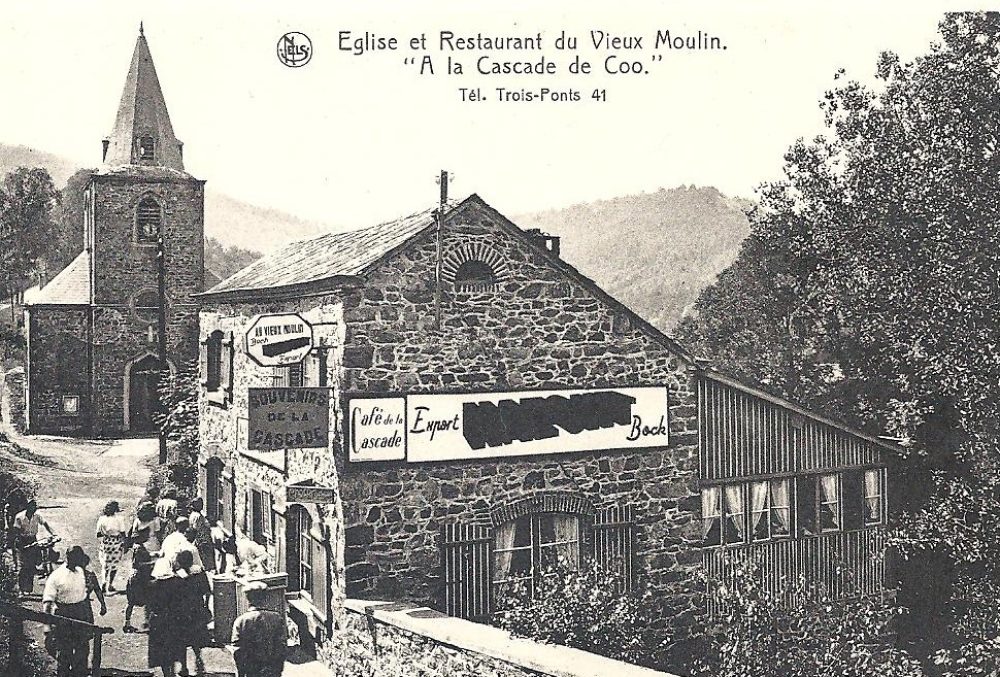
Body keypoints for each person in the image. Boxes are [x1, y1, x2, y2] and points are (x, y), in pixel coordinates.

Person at [42, 545, 92, 677]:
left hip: (80, 613)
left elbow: (84, 595)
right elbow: (48, 602)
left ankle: (80, 673)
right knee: (64, 649)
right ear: (69, 558)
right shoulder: (56, 576)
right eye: (78, 559)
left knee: (82, 648)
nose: (80, 562)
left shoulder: (80, 571)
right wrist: (47, 625)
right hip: (63, 615)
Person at [231, 581, 287, 677]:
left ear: (248, 599)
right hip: (271, 670)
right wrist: (277, 669)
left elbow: (237, 650)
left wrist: (241, 672)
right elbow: (282, 646)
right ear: (265, 598)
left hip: (251, 670)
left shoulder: (241, 621)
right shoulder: (277, 618)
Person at [14, 499, 55, 595]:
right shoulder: (19, 517)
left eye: (35, 508)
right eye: (32, 508)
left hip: (33, 539)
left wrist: (53, 534)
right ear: (28, 507)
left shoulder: (37, 516)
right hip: (22, 541)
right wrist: (21, 544)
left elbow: (45, 524)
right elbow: (16, 532)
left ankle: (28, 588)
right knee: (23, 566)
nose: (34, 510)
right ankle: (21, 589)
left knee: (32, 565)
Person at [124, 533, 154, 633]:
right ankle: (148, 622)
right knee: (148, 599)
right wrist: (152, 563)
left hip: (134, 576)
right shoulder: (140, 549)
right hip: (140, 577)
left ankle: (127, 623)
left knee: (131, 602)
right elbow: (140, 564)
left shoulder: (135, 547)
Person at [96, 500, 127, 593]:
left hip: (106, 542)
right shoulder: (119, 519)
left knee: (105, 564)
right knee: (114, 565)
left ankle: (104, 581)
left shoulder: (102, 519)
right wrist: (125, 543)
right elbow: (122, 533)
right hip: (116, 543)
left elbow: (98, 534)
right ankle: (110, 584)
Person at [187, 498, 215, 574]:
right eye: (199, 504)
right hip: (202, 540)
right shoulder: (197, 516)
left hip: (201, 539)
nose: (202, 506)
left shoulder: (195, 514)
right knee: (205, 559)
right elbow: (195, 528)